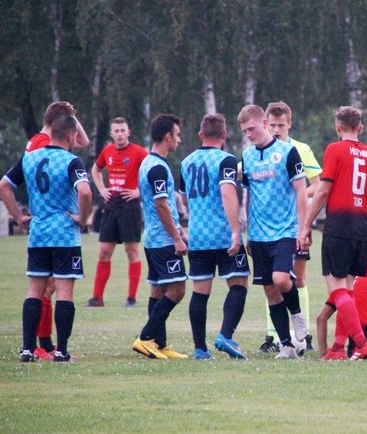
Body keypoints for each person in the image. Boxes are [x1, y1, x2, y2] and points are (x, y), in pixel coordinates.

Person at [0, 115, 92, 362]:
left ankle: (28, 350)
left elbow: (3, 187)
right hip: (64, 236)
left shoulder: (29, 158)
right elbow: (84, 191)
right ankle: (61, 351)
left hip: (38, 235)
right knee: (64, 292)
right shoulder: (72, 161)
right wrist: (82, 219)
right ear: (70, 135)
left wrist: (19, 216)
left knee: (35, 291)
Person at [300, 106, 367, 359]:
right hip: (361, 227)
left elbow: (323, 191)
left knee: (336, 289)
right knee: (347, 289)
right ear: (360, 128)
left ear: (338, 127)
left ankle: (362, 343)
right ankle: (337, 348)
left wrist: (306, 224)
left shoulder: (334, 150)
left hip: (338, 225)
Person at [239, 104, 309, 360]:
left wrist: (303, 227)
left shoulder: (288, 152)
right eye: (245, 131)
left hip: (285, 230)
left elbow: (301, 190)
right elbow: (248, 196)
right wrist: (248, 232)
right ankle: (287, 345)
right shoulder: (247, 157)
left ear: (265, 124)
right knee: (269, 290)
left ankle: (297, 314)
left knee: (281, 279)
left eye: (252, 129)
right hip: (258, 234)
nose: (249, 134)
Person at [179, 113, 250, 360]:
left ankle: (200, 349)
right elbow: (228, 193)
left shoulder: (186, 162)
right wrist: (235, 231)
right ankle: (225, 336)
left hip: (198, 236)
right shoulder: (226, 160)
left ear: (201, 135)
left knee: (200, 291)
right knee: (239, 284)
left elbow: (184, 198)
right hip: (222, 234)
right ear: (224, 135)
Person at [24, 101, 89, 361]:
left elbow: (80, 140)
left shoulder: (35, 144)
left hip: (39, 231)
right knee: (52, 290)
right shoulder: (46, 147)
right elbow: (81, 145)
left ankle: (38, 345)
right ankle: (45, 344)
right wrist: (82, 218)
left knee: (43, 288)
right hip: (60, 230)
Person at [257, 101, 322, 352]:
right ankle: (273, 336)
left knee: (298, 277)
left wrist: (296, 192)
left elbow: (317, 184)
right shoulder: (259, 150)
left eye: (281, 125)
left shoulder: (300, 149)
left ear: (289, 124)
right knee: (271, 281)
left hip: (294, 224)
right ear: (266, 124)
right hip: (267, 229)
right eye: (272, 125)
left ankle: (304, 335)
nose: (276, 130)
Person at [132, 114, 189, 360]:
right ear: (167, 136)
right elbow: (161, 205)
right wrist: (176, 237)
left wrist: (178, 228)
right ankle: (145, 338)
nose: (179, 139)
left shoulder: (148, 162)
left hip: (153, 238)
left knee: (158, 290)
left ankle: (159, 343)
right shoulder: (156, 167)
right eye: (177, 135)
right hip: (162, 240)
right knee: (177, 289)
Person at [86, 117, 148, 308]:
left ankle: (131, 298)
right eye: (116, 131)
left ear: (128, 132)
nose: (120, 134)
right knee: (104, 252)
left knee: (132, 251)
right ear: (111, 133)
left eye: (123, 130)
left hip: (130, 207)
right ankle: (97, 298)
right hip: (111, 206)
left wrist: (139, 191)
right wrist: (102, 189)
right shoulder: (107, 151)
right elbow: (95, 170)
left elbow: (152, 173)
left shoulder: (139, 152)